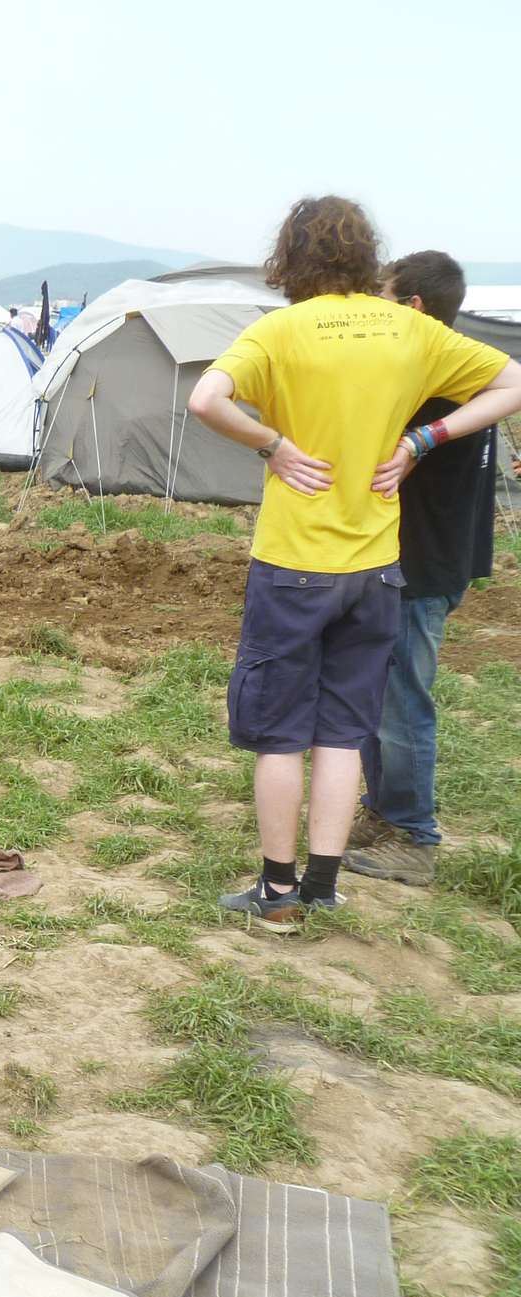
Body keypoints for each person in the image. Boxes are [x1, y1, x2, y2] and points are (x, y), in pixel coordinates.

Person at [188, 197, 521, 930]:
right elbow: (512, 381)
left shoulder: (277, 331)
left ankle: (276, 895)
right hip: (377, 567)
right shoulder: (412, 328)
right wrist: (420, 442)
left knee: (280, 736)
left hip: (293, 563)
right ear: (368, 255)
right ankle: (325, 885)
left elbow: (206, 397)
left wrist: (272, 446)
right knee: (343, 731)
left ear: (290, 258)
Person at [345, 252, 506, 886]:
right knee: (378, 690)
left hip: (421, 562)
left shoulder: (439, 375)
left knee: (400, 699)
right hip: (436, 556)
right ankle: (383, 811)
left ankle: (413, 834)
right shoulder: (467, 368)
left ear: (412, 307)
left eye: (381, 297)